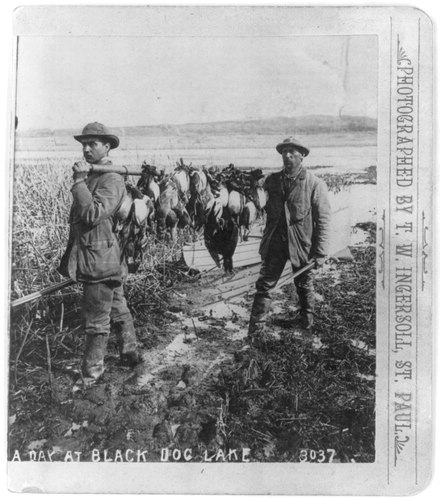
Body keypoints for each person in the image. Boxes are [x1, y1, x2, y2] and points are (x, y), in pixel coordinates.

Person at [59, 122, 142, 381]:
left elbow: (93, 214)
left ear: (106, 147)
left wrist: (78, 182)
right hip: (104, 257)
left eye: (92, 144)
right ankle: (131, 353)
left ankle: (91, 373)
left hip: (99, 260)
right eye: (84, 144)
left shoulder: (111, 179)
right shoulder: (96, 176)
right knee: (117, 307)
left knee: (96, 319)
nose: (86, 149)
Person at [248, 137, 331, 343]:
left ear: (302, 156)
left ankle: (306, 322)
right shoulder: (271, 181)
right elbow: (261, 207)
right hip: (275, 243)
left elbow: (323, 220)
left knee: (304, 283)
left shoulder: (314, 184)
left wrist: (320, 252)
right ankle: (256, 330)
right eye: (284, 152)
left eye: (292, 152)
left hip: (301, 244)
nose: (287, 156)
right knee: (264, 285)